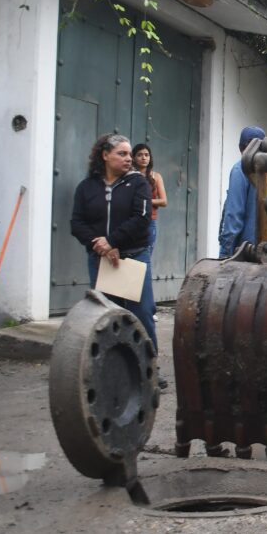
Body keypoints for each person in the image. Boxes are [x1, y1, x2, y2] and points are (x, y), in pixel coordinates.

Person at [70, 134, 164, 388]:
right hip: (101, 260)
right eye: (121, 154)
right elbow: (77, 223)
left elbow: (141, 219)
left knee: (142, 313)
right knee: (106, 315)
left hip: (132, 258)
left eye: (129, 154)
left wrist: (112, 241)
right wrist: (99, 245)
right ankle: (111, 372)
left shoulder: (138, 183)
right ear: (105, 155)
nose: (128, 158)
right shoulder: (87, 187)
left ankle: (149, 369)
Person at [218, 126, 266, 258]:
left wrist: (225, 252)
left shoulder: (240, 169)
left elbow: (233, 216)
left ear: (240, 147)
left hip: (246, 254)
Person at [132, 144, 167, 257]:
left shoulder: (156, 176)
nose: (144, 158)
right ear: (133, 158)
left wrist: (145, 201)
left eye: (146, 155)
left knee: (146, 256)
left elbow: (163, 201)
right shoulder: (129, 176)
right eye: (140, 155)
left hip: (149, 221)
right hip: (130, 221)